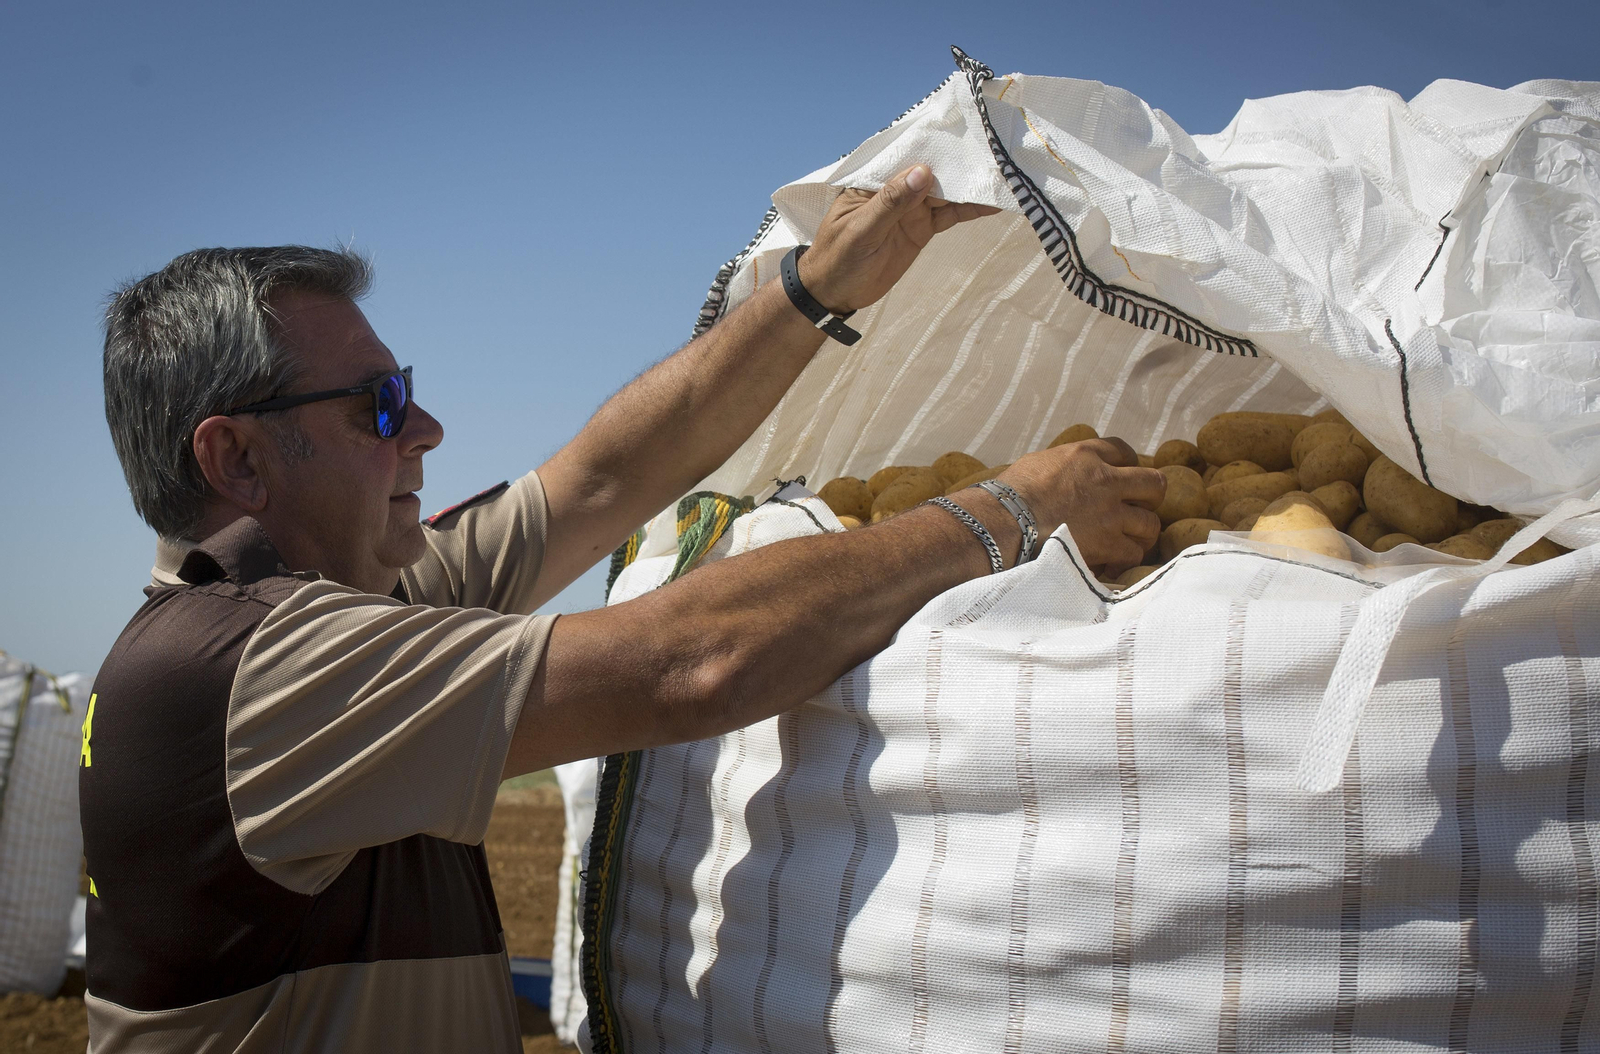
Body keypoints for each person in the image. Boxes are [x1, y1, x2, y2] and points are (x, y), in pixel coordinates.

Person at [81, 164, 1164, 1052]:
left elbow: (599, 481)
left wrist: (815, 286)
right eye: (380, 404)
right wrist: (1007, 511)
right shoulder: (252, 665)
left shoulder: (358, 598)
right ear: (236, 456)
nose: (427, 430)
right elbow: (687, 662)